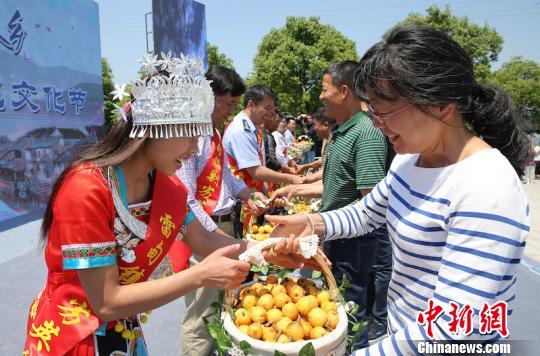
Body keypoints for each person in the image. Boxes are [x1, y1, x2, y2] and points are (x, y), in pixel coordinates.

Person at [268, 24, 530, 355]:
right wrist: (310, 224)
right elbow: (366, 213)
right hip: (402, 337)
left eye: (384, 110)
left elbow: (454, 328)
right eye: (371, 110)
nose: (376, 122)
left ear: (440, 104)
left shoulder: (486, 187)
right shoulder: (410, 161)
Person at [22, 54, 305, 355]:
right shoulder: (86, 188)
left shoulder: (168, 187)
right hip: (74, 336)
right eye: (190, 134)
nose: (195, 148)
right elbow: (105, 301)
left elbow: (206, 239)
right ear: (157, 126)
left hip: (125, 330)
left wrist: (267, 252)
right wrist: (199, 275)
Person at [274, 60, 392, 348]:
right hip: (336, 234)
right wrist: (294, 188)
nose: (320, 97)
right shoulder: (344, 131)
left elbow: (371, 203)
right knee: (332, 311)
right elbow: (336, 186)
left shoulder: (366, 133)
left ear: (343, 90)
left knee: (350, 313)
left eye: (324, 89)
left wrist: (316, 223)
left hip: (355, 242)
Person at [176, 66, 268, 356]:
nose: (231, 111)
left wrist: (249, 194)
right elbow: (186, 198)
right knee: (202, 316)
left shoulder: (213, 133)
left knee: (221, 308)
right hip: (204, 234)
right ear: (209, 97)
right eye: (228, 104)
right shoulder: (193, 135)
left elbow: (226, 177)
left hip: (221, 229)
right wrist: (214, 234)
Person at [222, 85, 303, 232]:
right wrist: (291, 178)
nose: (270, 113)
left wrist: (266, 192)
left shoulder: (255, 129)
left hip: (254, 200)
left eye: (272, 108)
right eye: (267, 108)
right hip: (242, 201)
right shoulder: (240, 129)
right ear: (251, 104)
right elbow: (256, 171)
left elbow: (260, 164)